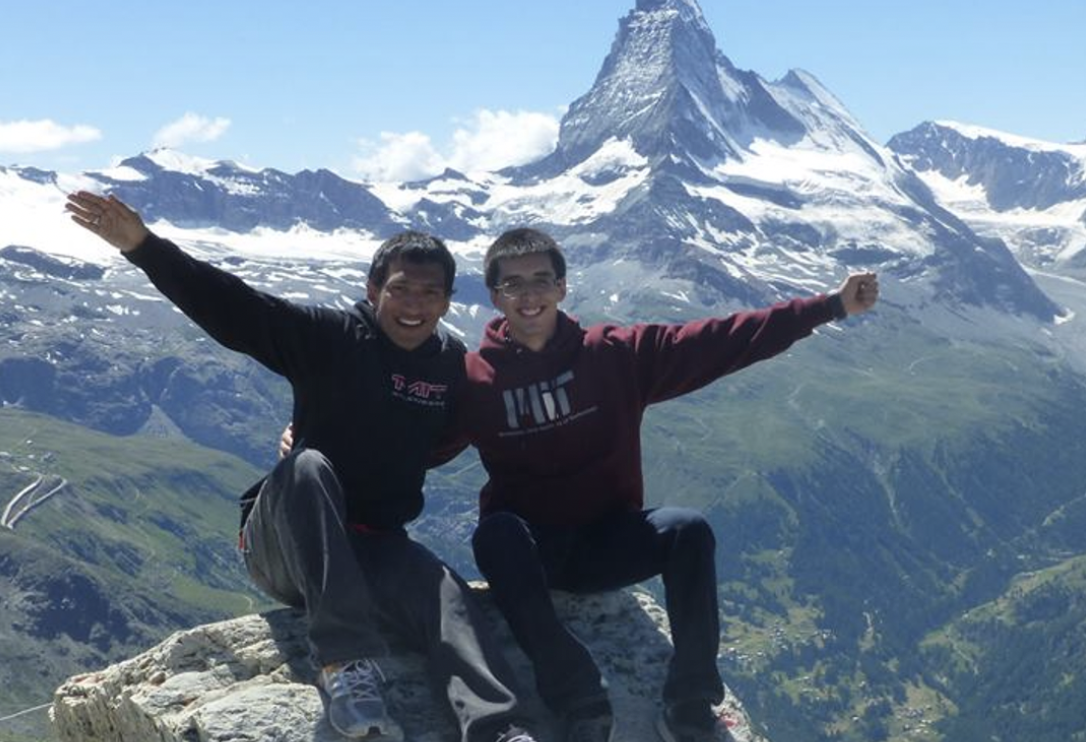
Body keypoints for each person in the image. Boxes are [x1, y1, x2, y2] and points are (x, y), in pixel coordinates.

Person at [64, 192, 538, 742]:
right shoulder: (329, 338)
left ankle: (498, 728)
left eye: (430, 293)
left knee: (445, 593)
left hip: (375, 545)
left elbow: (468, 429)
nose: (414, 304)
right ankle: (345, 666)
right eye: (400, 289)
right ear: (372, 290)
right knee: (308, 466)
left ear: (448, 301)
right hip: (285, 544)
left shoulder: (450, 365)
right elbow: (234, 308)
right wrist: (143, 247)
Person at [455, 227, 879, 742]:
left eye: (542, 280)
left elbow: (721, 339)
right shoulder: (474, 380)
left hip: (608, 543)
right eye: (513, 285)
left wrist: (830, 305)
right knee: (495, 533)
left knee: (687, 529)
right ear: (495, 297)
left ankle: (690, 703)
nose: (529, 296)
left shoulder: (613, 354)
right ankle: (579, 698)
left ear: (563, 287)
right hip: (530, 556)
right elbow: (415, 439)